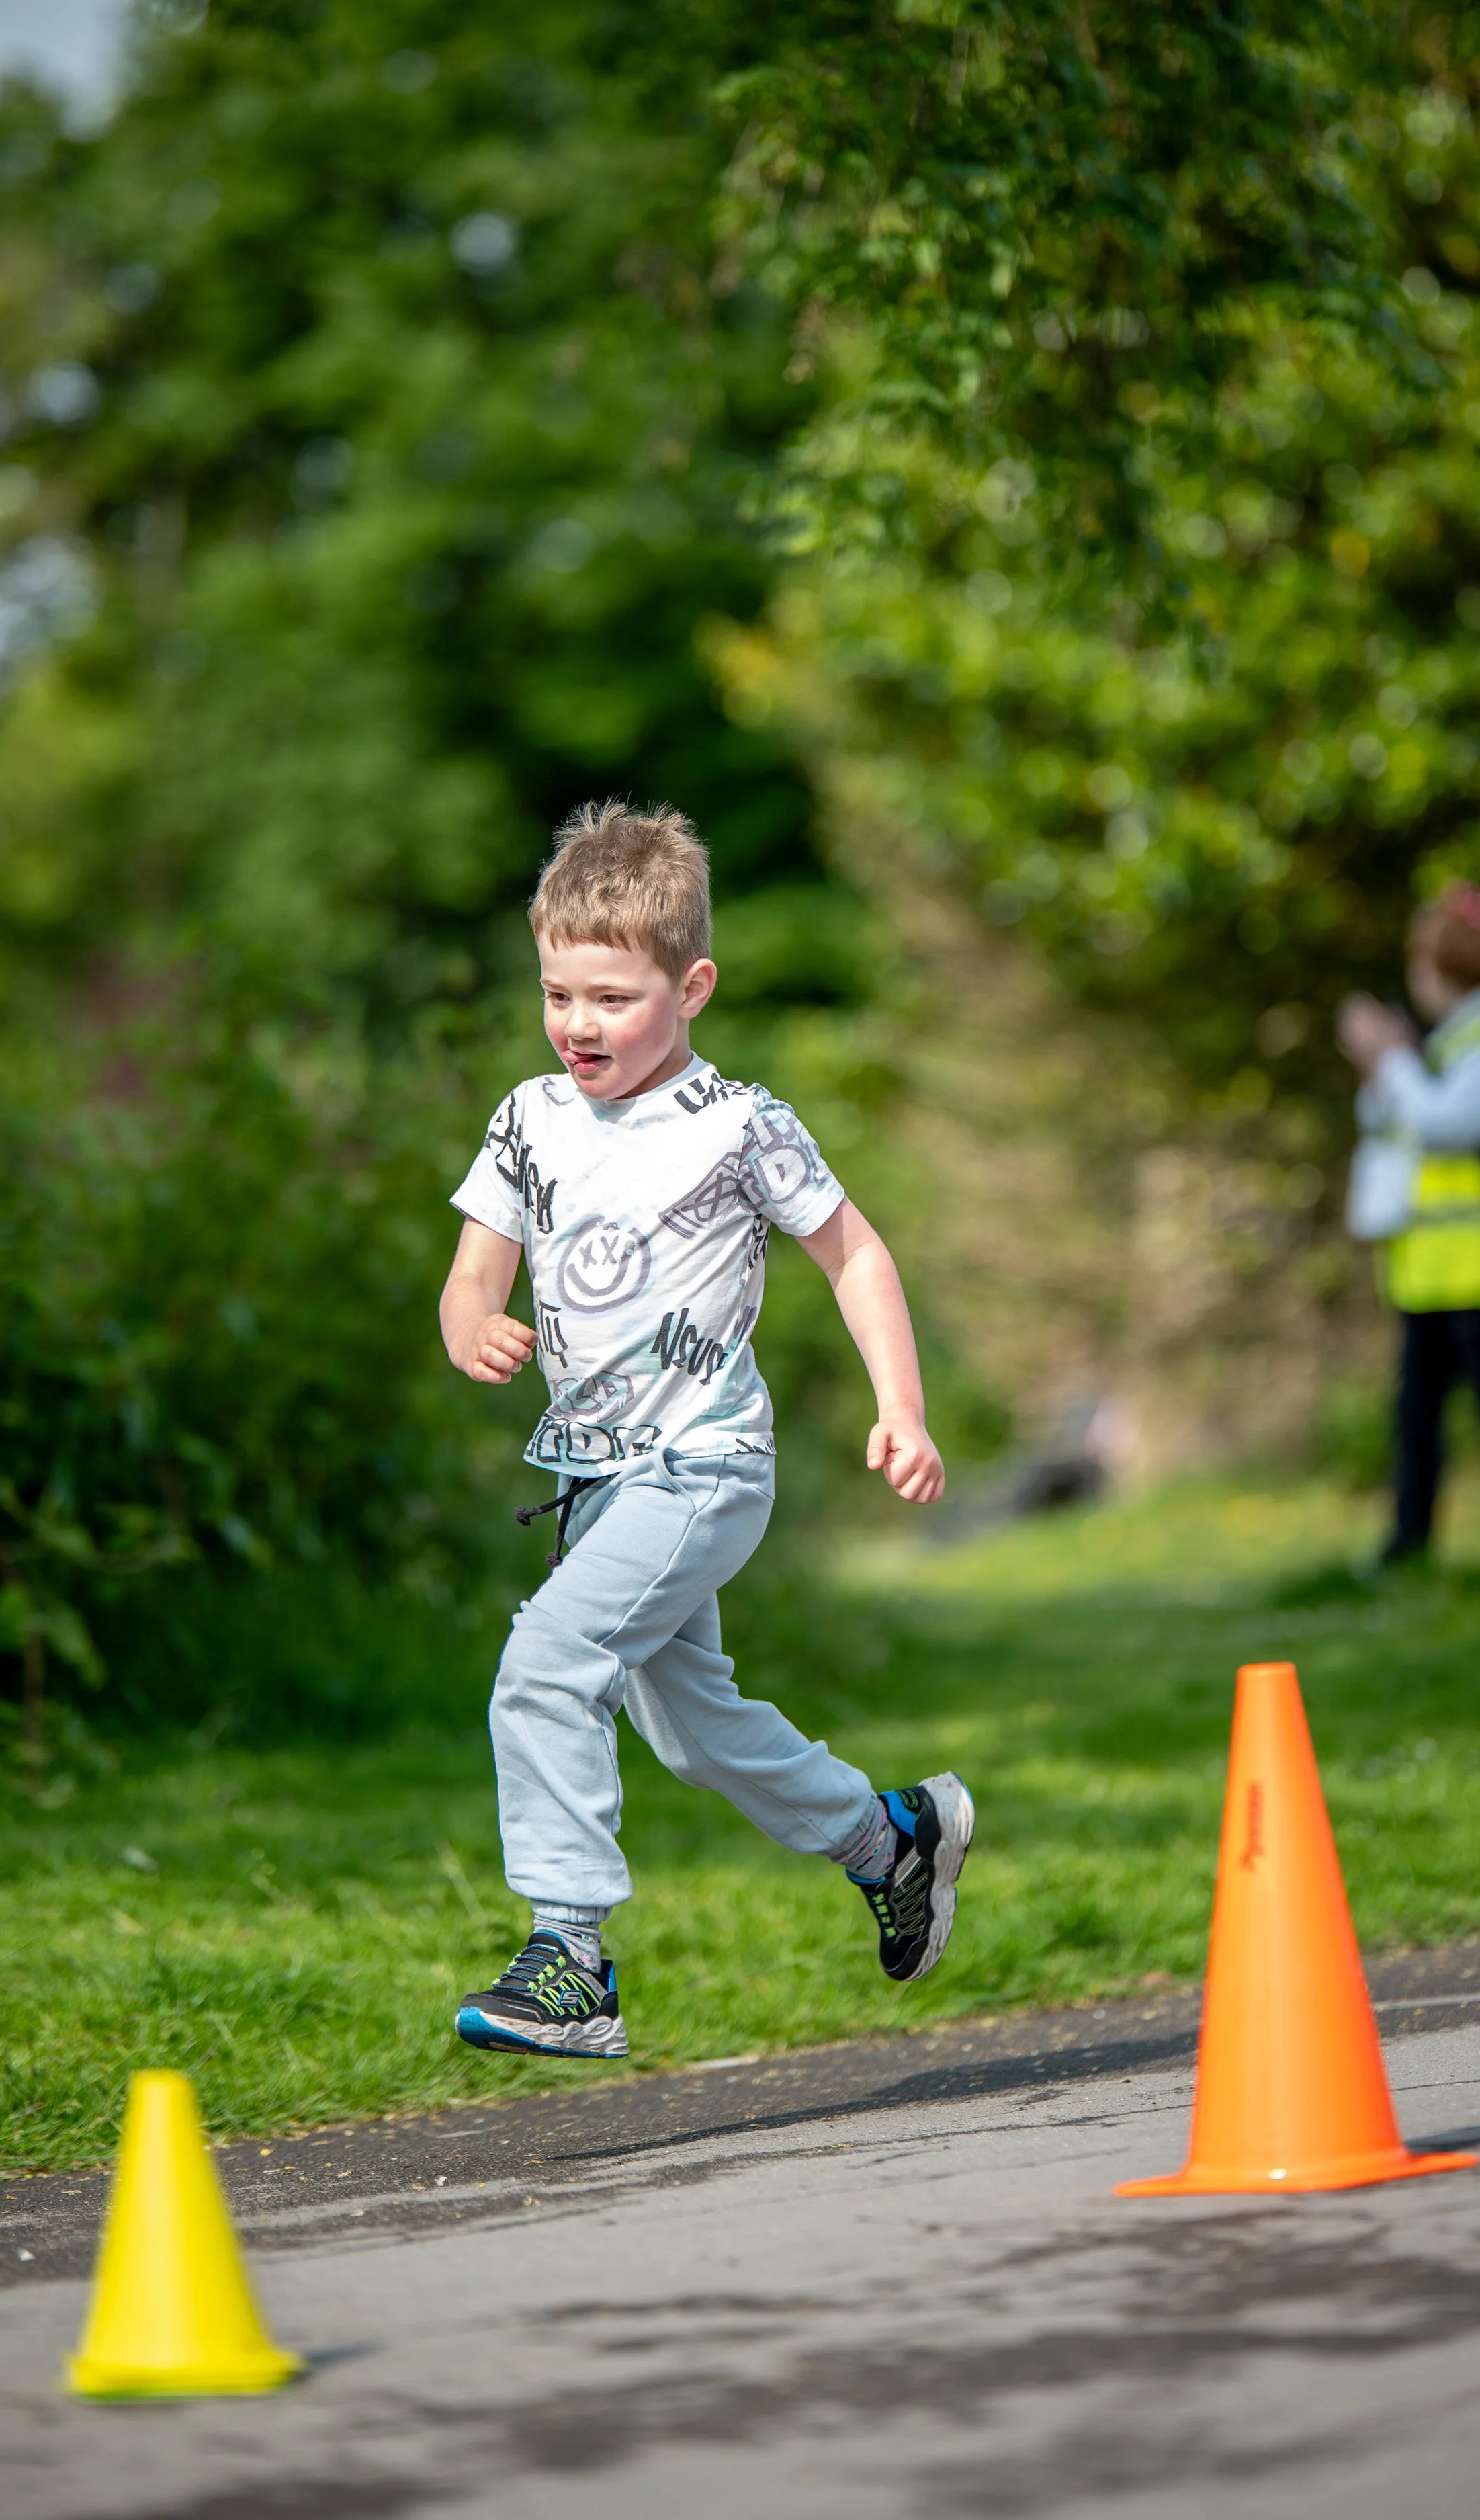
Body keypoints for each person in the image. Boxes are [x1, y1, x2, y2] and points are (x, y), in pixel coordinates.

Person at [438, 800, 973, 2056]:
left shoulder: (739, 1125)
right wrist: (470, 1322)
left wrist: (902, 1408)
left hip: (704, 1466)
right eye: (558, 994)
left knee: (545, 1665)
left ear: (693, 988)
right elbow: (475, 1273)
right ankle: (888, 1840)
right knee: (688, 1725)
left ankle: (570, 1957)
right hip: (596, 1484)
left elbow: (856, 1257)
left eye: (612, 999)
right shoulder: (529, 1119)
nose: (578, 1025)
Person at [1338, 880, 1480, 1564]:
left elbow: (1445, 1125)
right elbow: (1393, 1126)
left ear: (1440, 969)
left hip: (1479, 1273)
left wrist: (1391, 1058)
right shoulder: (1450, 1044)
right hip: (1431, 1273)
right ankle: (1406, 1546)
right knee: (1414, 1420)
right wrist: (1388, 1065)